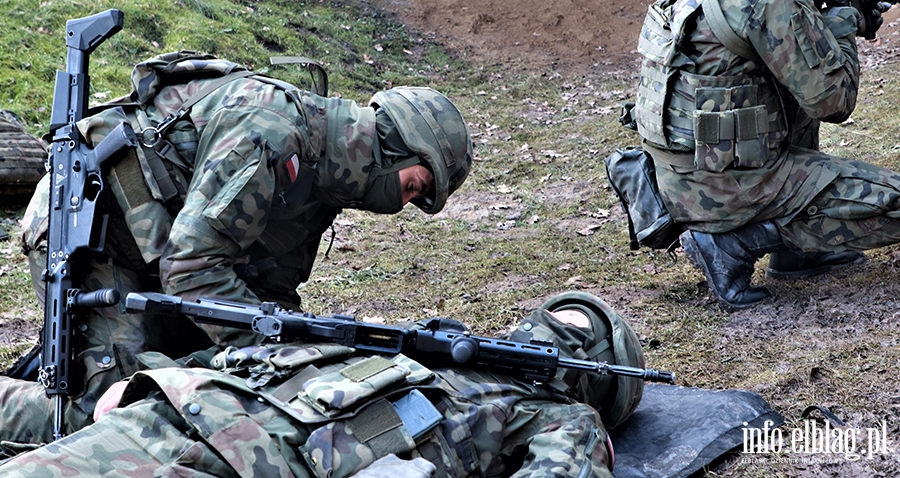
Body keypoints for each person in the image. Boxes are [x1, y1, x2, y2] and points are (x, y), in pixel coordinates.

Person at [3, 51, 473, 443]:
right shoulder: (271, 132)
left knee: (220, 396)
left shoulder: (325, 180)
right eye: (412, 187)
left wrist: (302, 360)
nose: (399, 205)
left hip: (160, 256)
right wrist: (270, 354)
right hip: (92, 231)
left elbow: (271, 292)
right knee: (119, 416)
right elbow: (191, 267)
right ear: (389, 151)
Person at [0, 293, 646, 478]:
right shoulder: (414, 343)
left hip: (202, 436)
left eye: (560, 328)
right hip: (176, 416)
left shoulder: (555, 416)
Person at [633, 0, 897, 311]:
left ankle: (798, 252)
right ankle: (737, 242)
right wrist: (843, 31)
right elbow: (834, 102)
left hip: (679, 177)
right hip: (730, 189)